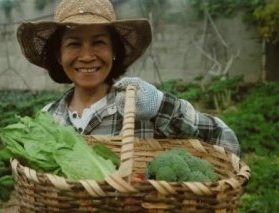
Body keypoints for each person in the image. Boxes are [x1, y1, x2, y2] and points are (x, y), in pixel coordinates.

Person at [16, 0, 240, 155]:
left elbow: (227, 142)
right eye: (74, 44)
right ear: (58, 54)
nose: (86, 56)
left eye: (99, 42)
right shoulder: (47, 118)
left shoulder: (141, 107)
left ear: (114, 51)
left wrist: (161, 107)